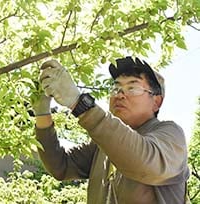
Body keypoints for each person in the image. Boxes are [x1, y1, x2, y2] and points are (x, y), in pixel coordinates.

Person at [33, 56, 190, 204]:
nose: (120, 95)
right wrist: (42, 113)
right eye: (116, 88)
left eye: (132, 87)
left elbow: (145, 162)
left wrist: (79, 103)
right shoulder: (101, 146)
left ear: (156, 101)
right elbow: (61, 166)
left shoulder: (170, 134)